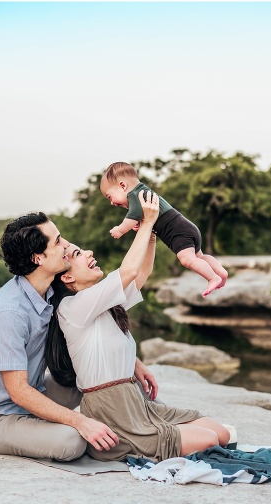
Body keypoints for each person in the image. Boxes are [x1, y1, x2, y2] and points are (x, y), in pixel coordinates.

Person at [45, 189, 230, 462]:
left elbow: (141, 273)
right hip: (112, 412)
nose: (89, 252)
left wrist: (151, 233)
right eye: (77, 254)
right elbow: (128, 271)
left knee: (221, 434)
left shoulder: (102, 302)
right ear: (68, 279)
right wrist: (148, 222)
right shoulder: (72, 308)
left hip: (135, 401)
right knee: (209, 440)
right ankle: (118, 446)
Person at [0, 212, 151, 461]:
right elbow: (17, 392)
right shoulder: (9, 311)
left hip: (36, 392)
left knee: (103, 377)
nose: (66, 246)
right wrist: (81, 422)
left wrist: (131, 363)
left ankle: (148, 427)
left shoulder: (51, 291)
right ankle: (107, 432)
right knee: (72, 442)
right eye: (58, 241)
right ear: (38, 257)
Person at [100, 162, 229, 297]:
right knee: (199, 256)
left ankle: (212, 278)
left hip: (177, 231)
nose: (112, 203)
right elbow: (141, 215)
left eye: (110, 196)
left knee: (187, 260)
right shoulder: (143, 192)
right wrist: (139, 222)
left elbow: (131, 216)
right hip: (187, 226)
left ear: (122, 185)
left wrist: (120, 229)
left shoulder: (133, 196)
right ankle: (221, 273)